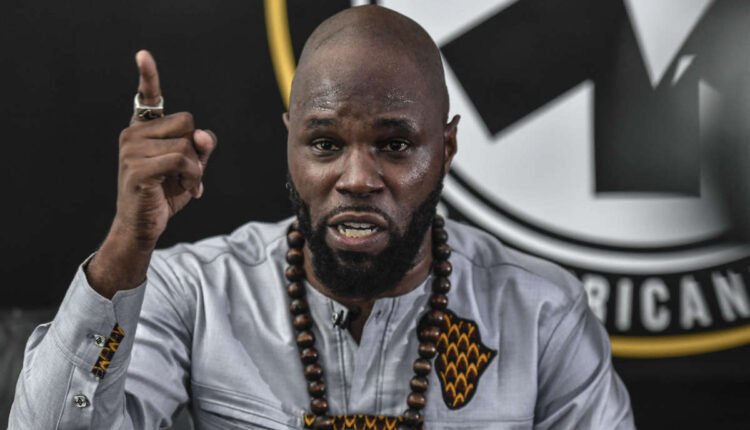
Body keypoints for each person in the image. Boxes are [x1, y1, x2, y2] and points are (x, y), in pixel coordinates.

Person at [9, 5, 634, 430]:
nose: (357, 179)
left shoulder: (541, 316)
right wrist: (128, 241)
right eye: (326, 143)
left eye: (395, 145)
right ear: (290, 143)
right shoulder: (197, 294)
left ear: (445, 149)